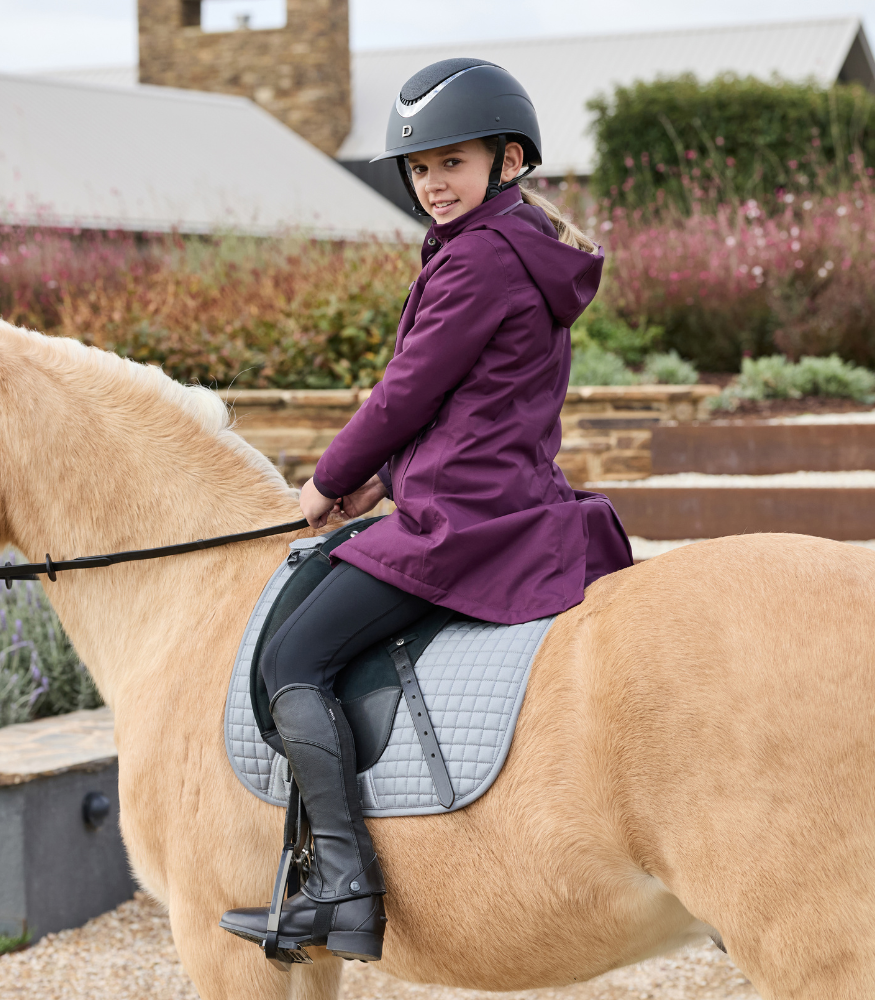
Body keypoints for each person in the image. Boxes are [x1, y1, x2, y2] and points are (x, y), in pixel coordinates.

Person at [220, 57, 633, 964]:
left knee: (293, 655)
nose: (433, 185)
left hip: (466, 521)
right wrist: (382, 481)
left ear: (507, 158)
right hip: (495, 492)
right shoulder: (512, 244)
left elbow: (406, 392)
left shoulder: (482, 256)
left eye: (451, 163)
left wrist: (327, 482)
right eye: (419, 169)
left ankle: (343, 886)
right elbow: (466, 399)